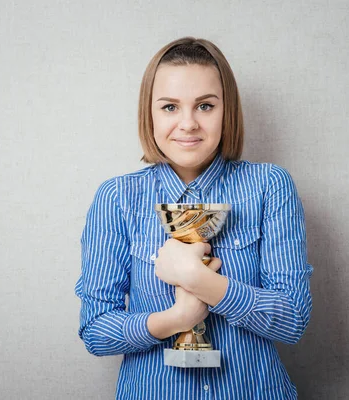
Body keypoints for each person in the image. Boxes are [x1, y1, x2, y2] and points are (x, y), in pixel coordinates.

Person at [75, 37, 313, 399]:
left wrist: (198, 280)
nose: (188, 124)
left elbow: (292, 319)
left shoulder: (269, 187)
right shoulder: (118, 199)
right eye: (170, 107)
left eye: (205, 106)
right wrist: (175, 320)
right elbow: (95, 331)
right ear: (149, 113)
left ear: (226, 111)